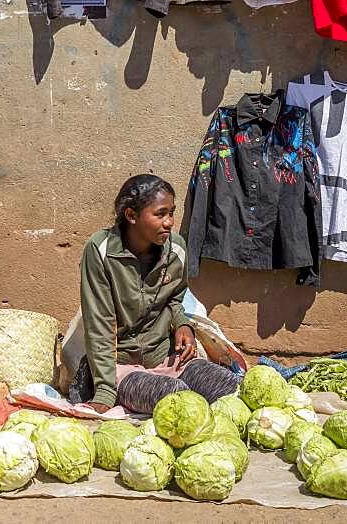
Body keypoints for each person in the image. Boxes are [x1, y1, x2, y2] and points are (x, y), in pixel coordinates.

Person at [78, 174, 239, 414]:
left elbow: (175, 298)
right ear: (131, 216)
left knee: (230, 387)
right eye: (160, 214)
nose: (169, 222)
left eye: (172, 212)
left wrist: (183, 324)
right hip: (120, 368)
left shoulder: (176, 249)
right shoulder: (100, 251)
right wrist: (104, 391)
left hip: (166, 359)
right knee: (177, 398)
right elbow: (99, 323)